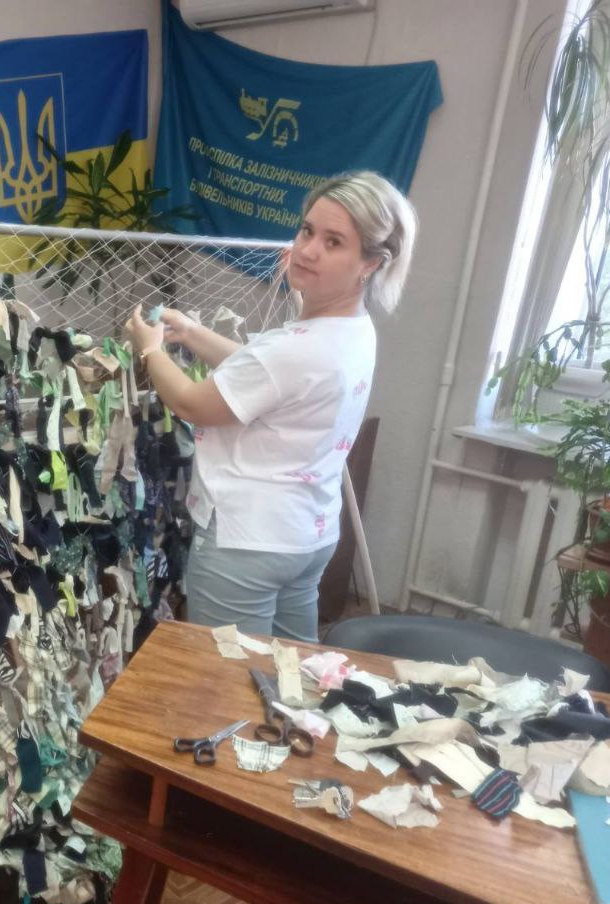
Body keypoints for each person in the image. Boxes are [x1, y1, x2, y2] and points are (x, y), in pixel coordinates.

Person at [125, 170, 417, 642]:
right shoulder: (355, 329)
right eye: (307, 231)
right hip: (306, 536)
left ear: (371, 263)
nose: (307, 250)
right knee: (289, 664)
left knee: (227, 673)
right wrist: (193, 334)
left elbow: (191, 403)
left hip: (247, 543)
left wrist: (150, 350)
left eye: (334, 242)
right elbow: (263, 377)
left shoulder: (295, 348)